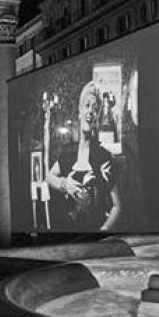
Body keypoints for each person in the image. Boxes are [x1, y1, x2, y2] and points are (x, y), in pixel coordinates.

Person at [47, 80, 122, 231]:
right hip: (66, 233)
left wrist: (103, 231)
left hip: (94, 235)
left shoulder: (104, 158)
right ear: (80, 111)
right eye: (87, 106)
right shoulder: (68, 152)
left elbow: (117, 206)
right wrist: (64, 184)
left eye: (95, 109)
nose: (90, 112)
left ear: (97, 117)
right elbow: (49, 177)